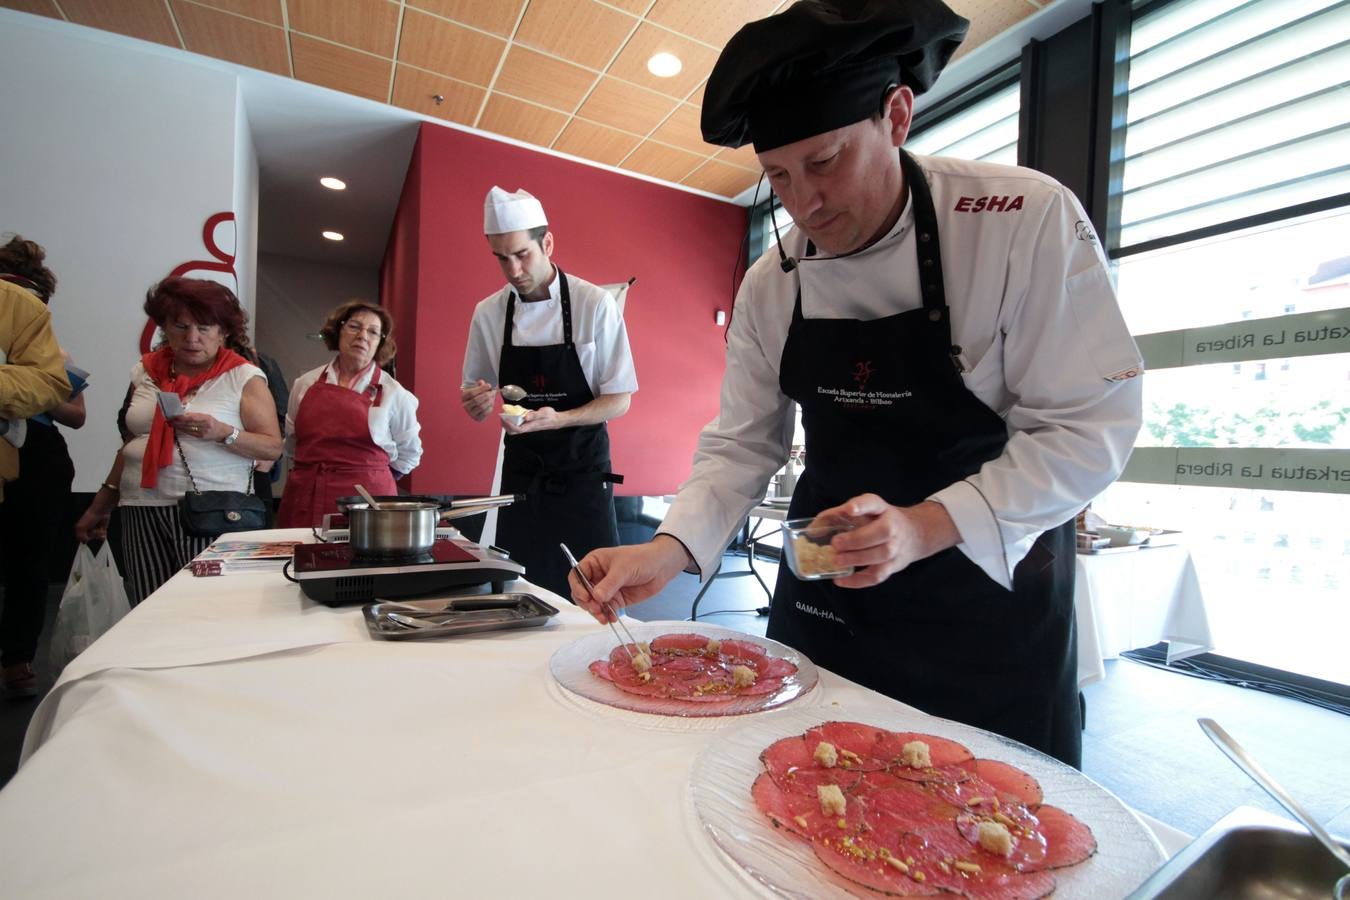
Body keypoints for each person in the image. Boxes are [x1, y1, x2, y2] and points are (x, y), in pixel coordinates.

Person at [569, 0, 1144, 768]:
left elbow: (1089, 425)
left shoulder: (1019, 220)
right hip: (829, 594)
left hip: (985, 605)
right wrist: (671, 549)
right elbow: (743, 443)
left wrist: (925, 525)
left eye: (825, 161)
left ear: (897, 115)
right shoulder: (773, 283)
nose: (804, 202)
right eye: (777, 175)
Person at [460, 187, 637, 597]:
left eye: (523, 254)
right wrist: (477, 402)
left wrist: (561, 418)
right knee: (519, 591)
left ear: (548, 243)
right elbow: (474, 394)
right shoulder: (489, 313)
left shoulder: (595, 304)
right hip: (522, 474)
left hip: (583, 473)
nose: (513, 269)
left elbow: (620, 399)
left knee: (595, 594)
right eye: (501, 258)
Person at [76, 277, 282, 605]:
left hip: (212, 508)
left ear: (223, 331)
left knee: (207, 609)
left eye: (204, 327)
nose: (192, 338)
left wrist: (222, 432)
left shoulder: (242, 376)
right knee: (148, 605)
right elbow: (133, 442)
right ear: (165, 328)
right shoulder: (144, 372)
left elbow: (272, 446)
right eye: (180, 326)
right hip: (140, 505)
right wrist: (101, 504)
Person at [0, 236, 81, 698]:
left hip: (36, 455)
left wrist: (42, 396)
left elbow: (76, 412)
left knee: (29, 563)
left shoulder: (56, 353)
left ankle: (17, 658)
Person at [276, 301, 421, 528]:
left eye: (373, 332)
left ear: (380, 343)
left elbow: (410, 454)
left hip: (368, 503)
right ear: (338, 330)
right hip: (306, 494)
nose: (363, 336)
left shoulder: (395, 394)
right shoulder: (305, 384)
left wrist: (372, 472)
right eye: (354, 326)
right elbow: (293, 443)